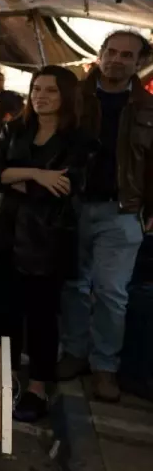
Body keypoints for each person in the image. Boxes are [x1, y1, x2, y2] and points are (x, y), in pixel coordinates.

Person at [0, 66, 93, 421]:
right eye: (36, 89)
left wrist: (16, 178)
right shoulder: (15, 129)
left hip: (49, 238)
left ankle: (39, 385)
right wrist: (36, 174)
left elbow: (67, 189)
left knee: (42, 315)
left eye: (51, 91)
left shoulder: (80, 140)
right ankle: (7, 377)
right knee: (7, 309)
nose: (41, 96)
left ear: (67, 96)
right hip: (7, 234)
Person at [61, 31, 153, 402]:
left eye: (126, 55)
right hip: (72, 206)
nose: (117, 59)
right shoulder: (75, 98)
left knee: (112, 294)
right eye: (111, 52)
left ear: (138, 63)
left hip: (122, 211)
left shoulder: (147, 108)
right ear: (99, 55)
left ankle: (105, 367)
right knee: (73, 286)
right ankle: (74, 353)